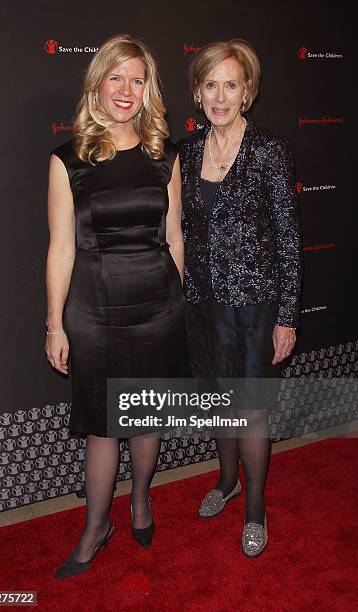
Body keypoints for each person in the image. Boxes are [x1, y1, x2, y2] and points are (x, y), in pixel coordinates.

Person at [45, 34, 188, 579]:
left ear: (148, 88)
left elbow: (175, 239)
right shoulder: (67, 160)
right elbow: (60, 248)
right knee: (104, 426)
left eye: (138, 79)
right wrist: (54, 324)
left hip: (158, 305)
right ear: (97, 84)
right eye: (116, 77)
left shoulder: (164, 156)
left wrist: (180, 300)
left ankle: (142, 499)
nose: (126, 90)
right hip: (96, 310)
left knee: (147, 415)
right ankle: (94, 528)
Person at [179, 39, 302, 557]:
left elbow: (290, 237)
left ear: (247, 91)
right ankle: (226, 480)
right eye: (211, 85)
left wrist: (287, 316)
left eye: (232, 84)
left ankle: (255, 509)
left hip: (256, 305)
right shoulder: (185, 154)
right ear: (198, 93)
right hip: (204, 303)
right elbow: (180, 231)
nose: (221, 96)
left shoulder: (269, 150)